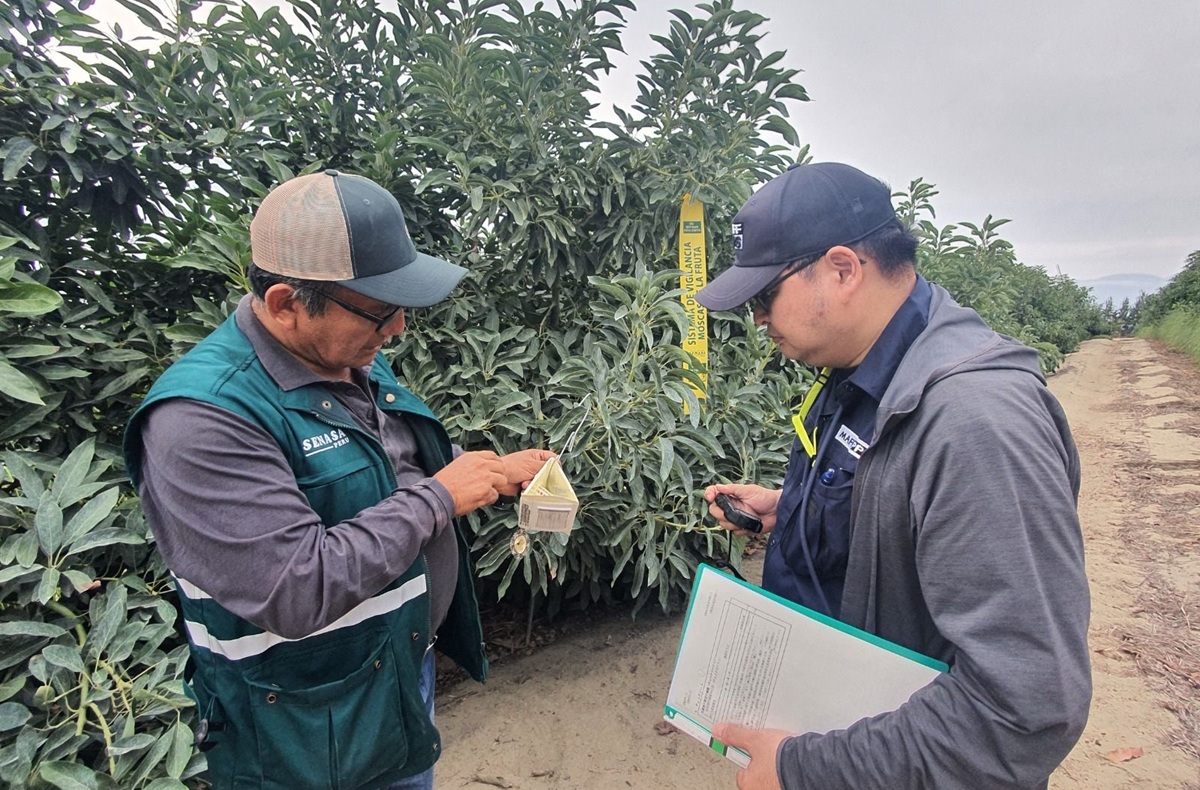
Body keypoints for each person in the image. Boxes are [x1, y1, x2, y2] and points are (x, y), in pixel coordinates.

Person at [123, 169, 553, 790]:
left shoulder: (343, 358)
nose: (398, 329)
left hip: (391, 678)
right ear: (286, 304)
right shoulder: (202, 420)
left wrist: (489, 469)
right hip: (302, 729)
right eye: (380, 313)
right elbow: (293, 586)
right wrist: (438, 497)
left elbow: (383, 460)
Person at [696, 162, 1090, 789]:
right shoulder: (867, 371)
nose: (758, 320)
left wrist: (808, 770)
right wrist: (790, 510)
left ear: (844, 269)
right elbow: (899, 518)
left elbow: (1023, 711)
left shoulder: (975, 424)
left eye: (765, 296)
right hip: (847, 724)